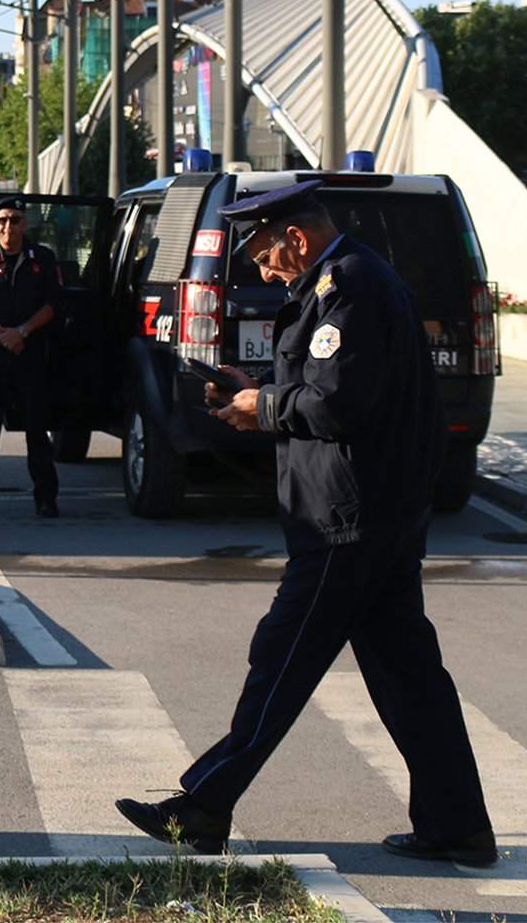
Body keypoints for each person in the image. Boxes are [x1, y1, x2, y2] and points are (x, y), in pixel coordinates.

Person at [114, 179, 496, 866]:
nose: (260, 271)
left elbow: (333, 406)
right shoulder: (340, 284)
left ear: (296, 237)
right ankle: (457, 825)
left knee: (280, 660)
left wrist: (260, 408)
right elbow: (324, 391)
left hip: (346, 521)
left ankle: (203, 806)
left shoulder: (348, 289)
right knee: (410, 680)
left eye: (262, 256)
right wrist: (252, 391)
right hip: (371, 513)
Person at [0, 196, 62, 519]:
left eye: (15, 219)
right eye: (2, 220)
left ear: (25, 223)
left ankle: (46, 498)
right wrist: (2, 333)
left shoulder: (42, 259)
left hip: (29, 356)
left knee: (37, 430)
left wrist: (23, 332)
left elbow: (54, 304)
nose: (8, 226)